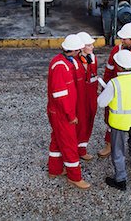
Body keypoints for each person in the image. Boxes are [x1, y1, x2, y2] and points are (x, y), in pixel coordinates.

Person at [98, 22, 131, 158]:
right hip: (116, 93)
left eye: (125, 39)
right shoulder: (116, 51)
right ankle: (109, 145)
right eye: (122, 38)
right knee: (110, 120)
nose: (122, 40)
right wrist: (105, 89)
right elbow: (109, 71)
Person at [97, 50, 131, 191]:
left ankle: (120, 179)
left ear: (118, 66)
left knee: (118, 150)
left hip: (119, 122)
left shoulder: (114, 83)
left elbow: (101, 103)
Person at [47, 34, 91, 190]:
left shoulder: (63, 61)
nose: (81, 51)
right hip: (62, 114)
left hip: (57, 112)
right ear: (73, 50)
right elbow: (60, 96)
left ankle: (55, 169)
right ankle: (75, 176)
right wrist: (71, 116)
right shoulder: (61, 67)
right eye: (79, 50)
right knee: (69, 143)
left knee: (57, 139)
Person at [75, 32, 98, 161]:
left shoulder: (93, 58)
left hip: (91, 95)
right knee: (80, 122)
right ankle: (76, 148)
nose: (92, 47)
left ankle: (83, 148)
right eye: (89, 45)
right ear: (82, 47)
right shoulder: (75, 61)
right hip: (80, 96)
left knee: (89, 120)